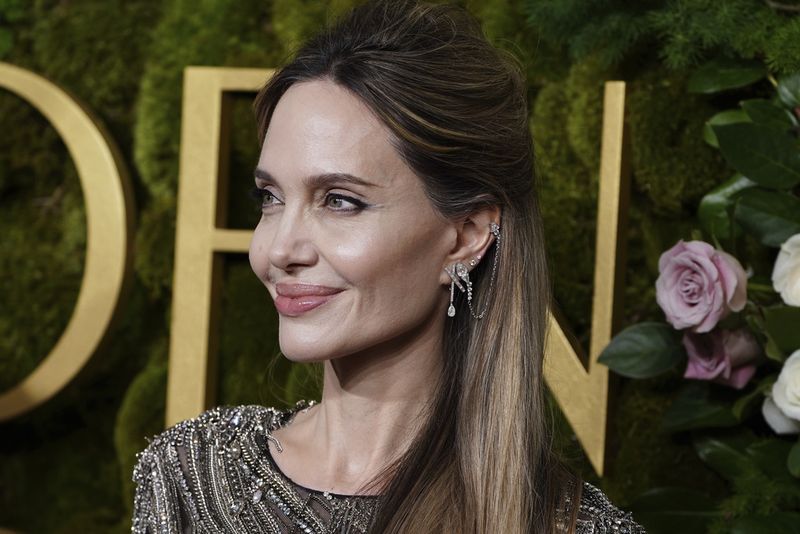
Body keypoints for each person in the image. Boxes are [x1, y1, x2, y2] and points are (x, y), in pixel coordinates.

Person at [130, 0, 646, 532]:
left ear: (465, 236)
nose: (279, 249)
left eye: (339, 201)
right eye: (270, 197)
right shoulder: (194, 476)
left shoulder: (568, 527)